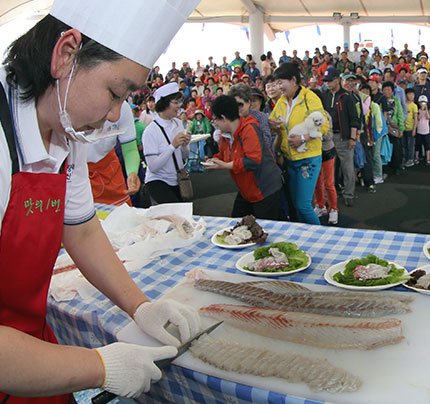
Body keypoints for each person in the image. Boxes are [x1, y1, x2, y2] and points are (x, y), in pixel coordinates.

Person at [0, 1, 202, 402]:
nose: (114, 116)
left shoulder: (64, 128)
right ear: (66, 53)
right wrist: (100, 367)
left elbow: (82, 230)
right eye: (114, 92)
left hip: (31, 348)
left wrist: (140, 305)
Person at [206, 95, 284, 220]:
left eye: (215, 119)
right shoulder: (225, 135)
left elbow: (253, 161)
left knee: (266, 228)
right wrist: (214, 160)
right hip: (247, 189)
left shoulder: (249, 129)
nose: (215, 123)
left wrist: (225, 165)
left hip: (264, 188)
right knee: (238, 223)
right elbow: (224, 154)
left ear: (224, 118)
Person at [269, 63, 329, 224]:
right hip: (290, 160)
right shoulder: (281, 101)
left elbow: (324, 126)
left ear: (293, 80)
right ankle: (306, 238)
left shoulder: (309, 97)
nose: (278, 86)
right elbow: (273, 121)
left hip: (308, 159)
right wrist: (272, 125)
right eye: (276, 83)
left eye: (281, 82)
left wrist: (303, 138)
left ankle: (320, 238)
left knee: (303, 206)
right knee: (296, 204)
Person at [143, 83, 191, 204]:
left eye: (179, 102)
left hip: (177, 180)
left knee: (183, 215)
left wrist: (185, 144)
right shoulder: (151, 131)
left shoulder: (178, 123)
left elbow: (184, 156)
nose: (178, 106)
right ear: (164, 104)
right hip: (158, 181)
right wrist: (172, 146)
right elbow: (153, 167)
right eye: (175, 102)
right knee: (172, 216)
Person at [87, 102, 141, 206]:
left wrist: (132, 172)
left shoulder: (123, 107)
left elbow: (130, 149)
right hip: (73, 173)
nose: (114, 116)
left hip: (109, 171)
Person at [321, 69, 360, 207]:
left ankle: (349, 194)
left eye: (330, 80)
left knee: (347, 168)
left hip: (344, 137)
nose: (327, 84)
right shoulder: (323, 96)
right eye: (325, 81)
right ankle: (327, 195)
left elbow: (354, 119)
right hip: (327, 138)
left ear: (338, 79)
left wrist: (353, 138)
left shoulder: (346, 96)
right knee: (328, 169)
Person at [311, 90, 338, 225]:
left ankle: (333, 209)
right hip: (313, 153)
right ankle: (320, 206)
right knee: (316, 182)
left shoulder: (325, 115)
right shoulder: (306, 115)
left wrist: (312, 134)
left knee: (328, 183)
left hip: (326, 152)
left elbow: (328, 136)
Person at [228, 83, 275, 152]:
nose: (237, 108)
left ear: (248, 102)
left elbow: (266, 142)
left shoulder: (260, 117)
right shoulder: (232, 119)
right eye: (233, 105)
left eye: (240, 104)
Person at [382, 81, 405, 175]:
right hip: (384, 128)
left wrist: (401, 129)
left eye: (389, 89)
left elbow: (400, 115)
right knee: (385, 148)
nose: (387, 91)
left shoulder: (396, 101)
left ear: (392, 91)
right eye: (385, 89)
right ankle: (386, 168)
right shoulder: (381, 100)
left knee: (396, 148)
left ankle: (395, 168)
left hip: (394, 128)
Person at [403, 88, 418, 167]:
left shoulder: (414, 106)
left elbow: (415, 118)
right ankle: (405, 158)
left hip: (411, 128)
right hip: (403, 128)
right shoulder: (403, 104)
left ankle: (410, 159)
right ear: (406, 95)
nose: (411, 96)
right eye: (409, 94)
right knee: (404, 145)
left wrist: (414, 129)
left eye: (412, 94)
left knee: (411, 145)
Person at [415, 95, 430, 165]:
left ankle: (428, 159)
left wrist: (426, 109)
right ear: (419, 103)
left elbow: (428, 117)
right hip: (419, 131)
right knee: (418, 145)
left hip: (426, 130)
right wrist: (421, 110)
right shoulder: (417, 110)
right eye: (421, 102)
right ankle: (416, 158)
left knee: (427, 146)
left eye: (424, 102)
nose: (423, 104)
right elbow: (418, 118)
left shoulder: (428, 110)